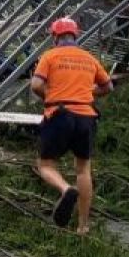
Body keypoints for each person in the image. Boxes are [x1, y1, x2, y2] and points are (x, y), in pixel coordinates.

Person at [30, 17, 113, 235]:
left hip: (60, 114)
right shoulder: (89, 58)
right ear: (75, 35)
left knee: (46, 165)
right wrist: (87, 93)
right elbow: (108, 86)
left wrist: (48, 97)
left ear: (55, 36)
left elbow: (36, 84)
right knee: (83, 169)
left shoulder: (50, 55)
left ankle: (66, 189)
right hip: (86, 116)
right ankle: (83, 226)